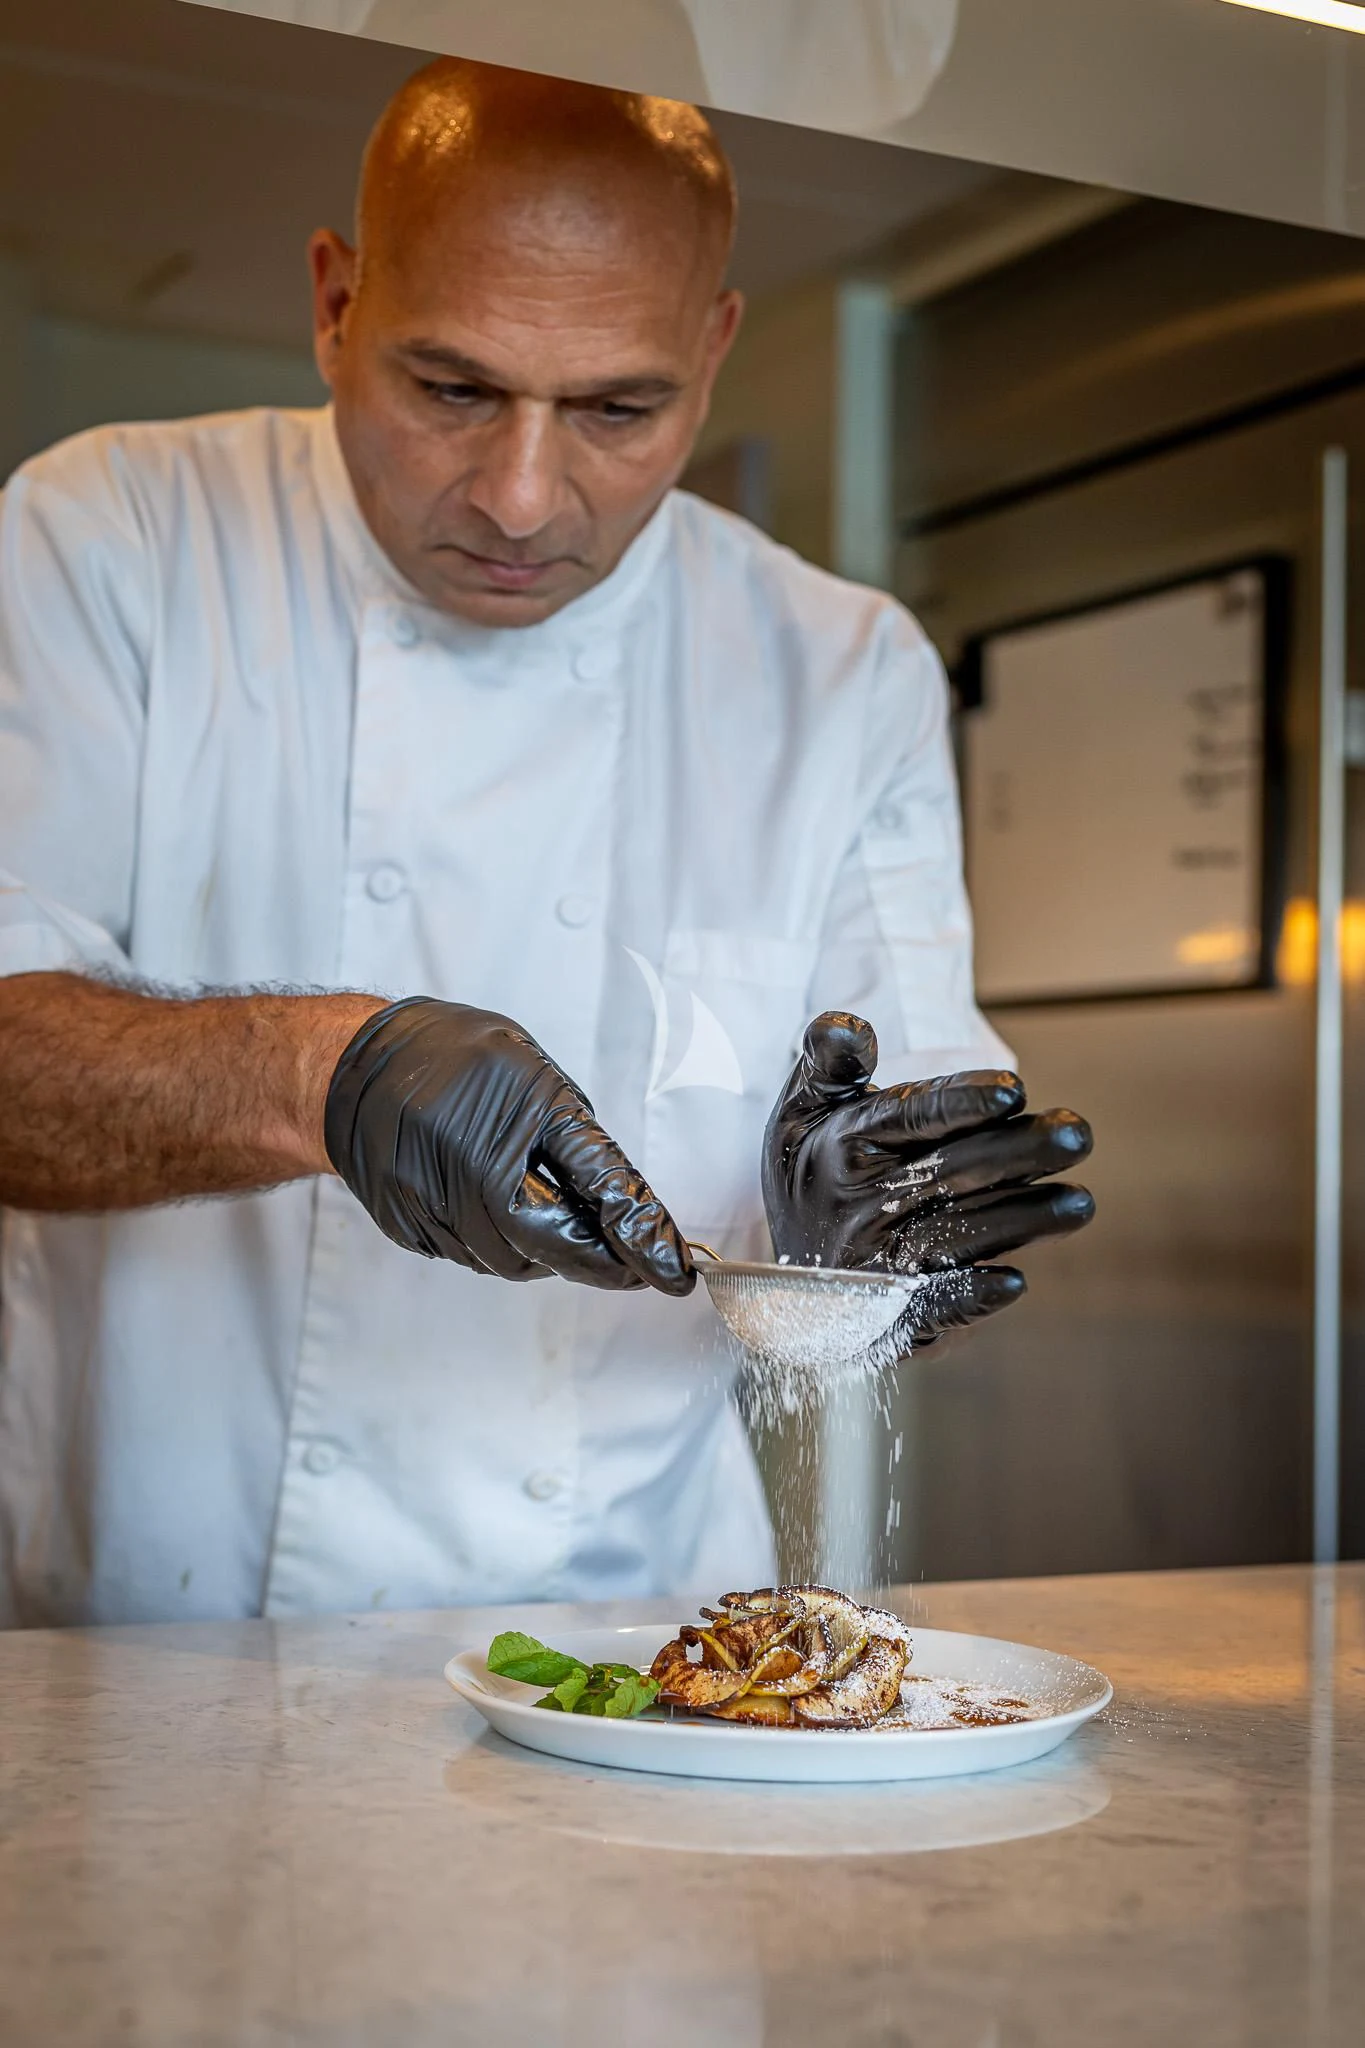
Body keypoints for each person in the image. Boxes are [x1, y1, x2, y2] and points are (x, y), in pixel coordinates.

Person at [0, 59, 1092, 1629]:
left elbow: (900, 1183)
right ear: (332, 301)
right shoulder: (113, 540)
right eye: (451, 389)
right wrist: (326, 1072)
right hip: (152, 1641)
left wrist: (869, 1251)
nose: (521, 498)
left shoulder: (839, 671)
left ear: (711, 356)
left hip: (638, 1656)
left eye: (616, 409)